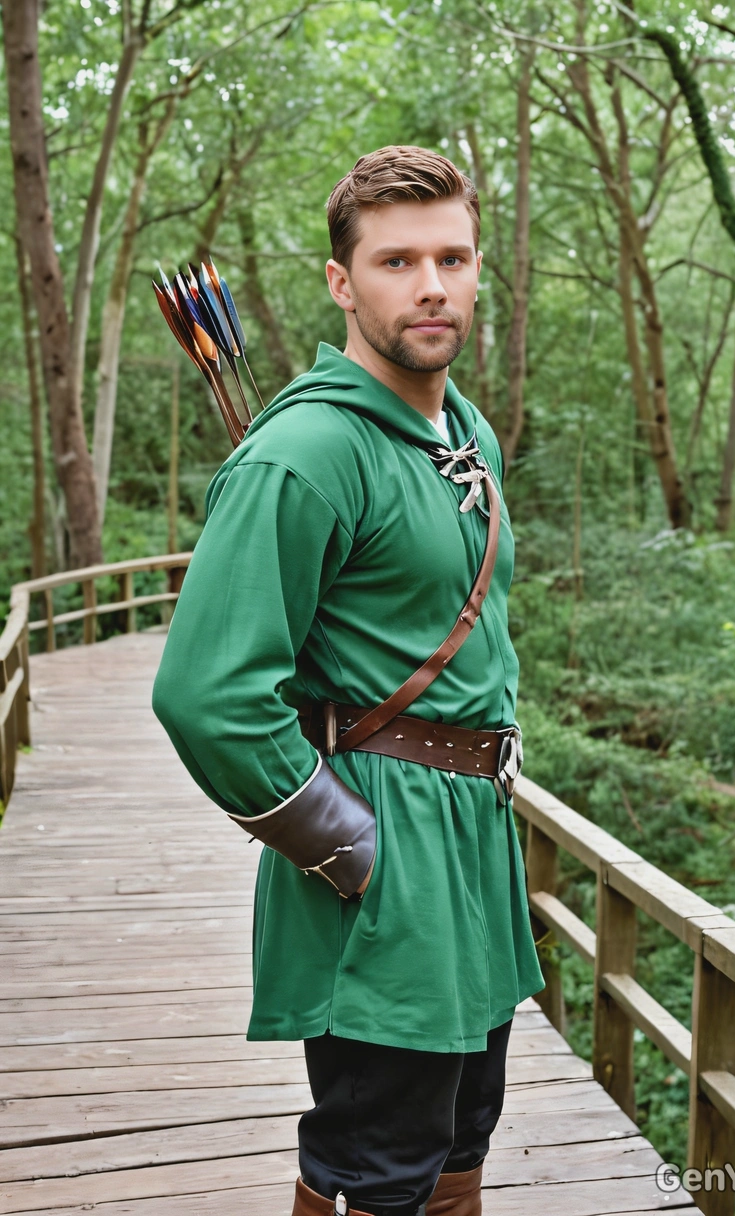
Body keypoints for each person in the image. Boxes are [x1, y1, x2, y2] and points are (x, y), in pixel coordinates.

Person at [152, 145, 544, 1216]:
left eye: (453, 258)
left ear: (478, 270)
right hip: (383, 844)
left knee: (460, 1139)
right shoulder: (306, 452)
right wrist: (350, 849)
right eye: (396, 261)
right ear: (342, 282)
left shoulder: (465, 431)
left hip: (474, 844)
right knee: (380, 1161)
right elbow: (207, 694)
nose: (432, 285)